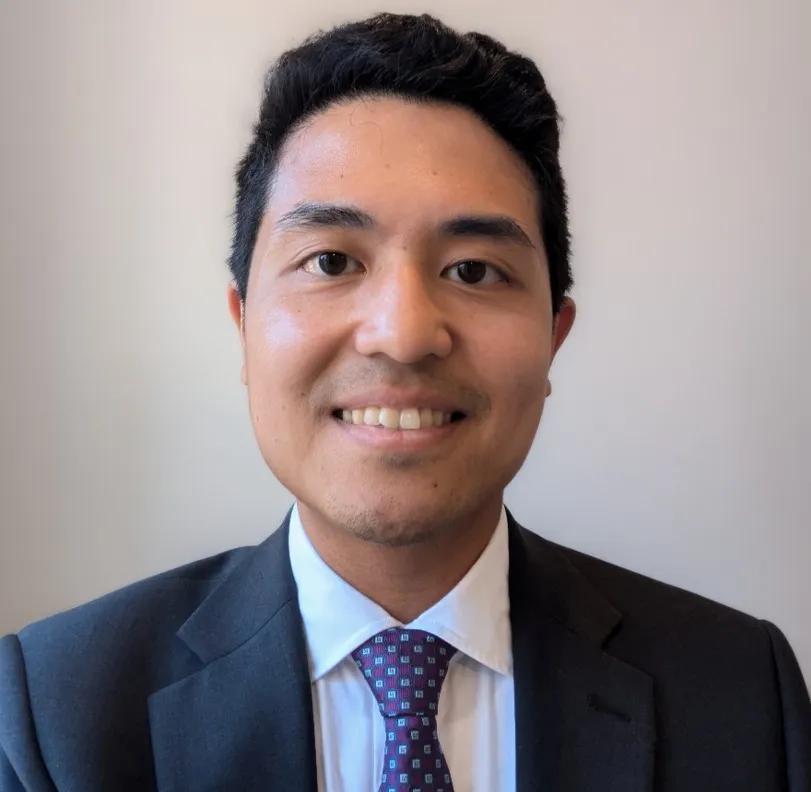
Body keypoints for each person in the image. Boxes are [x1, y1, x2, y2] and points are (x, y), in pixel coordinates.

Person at [1, 11, 809, 792]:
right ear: (243, 324)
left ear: (553, 337)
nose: (402, 333)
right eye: (331, 261)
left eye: (472, 270)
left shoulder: (739, 691)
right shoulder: (57, 709)